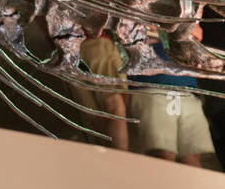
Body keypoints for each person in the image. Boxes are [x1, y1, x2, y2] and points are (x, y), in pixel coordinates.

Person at [128, 25, 214, 167]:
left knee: (192, 158)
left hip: (188, 92)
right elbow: (136, 35)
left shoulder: (185, 10)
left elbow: (197, 34)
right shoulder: (142, 8)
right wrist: (176, 29)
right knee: (163, 155)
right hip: (153, 88)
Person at [69, 31, 128, 150]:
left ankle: (107, 165)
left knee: (98, 122)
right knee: (114, 105)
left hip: (69, 50)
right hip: (92, 40)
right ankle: (120, 165)